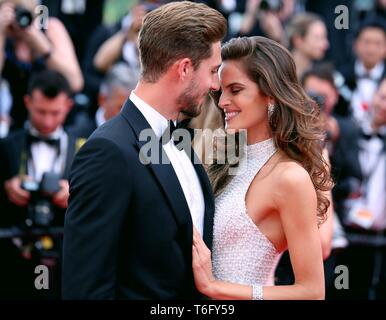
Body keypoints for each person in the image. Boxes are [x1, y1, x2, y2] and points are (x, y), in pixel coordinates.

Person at [62, 1, 227, 299]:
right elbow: (85, 287)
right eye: (213, 71)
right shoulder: (108, 151)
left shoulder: (180, 138)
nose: (216, 85)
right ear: (185, 68)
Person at [191, 36, 333, 300]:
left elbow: (312, 292)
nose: (222, 101)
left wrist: (215, 287)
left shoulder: (290, 178)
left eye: (235, 90)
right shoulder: (227, 158)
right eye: (220, 91)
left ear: (270, 95)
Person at [0, 69, 81, 298]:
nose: (47, 121)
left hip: (67, 259)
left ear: (68, 105)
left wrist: (76, 197)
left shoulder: (85, 148)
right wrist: (7, 188)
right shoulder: (6, 146)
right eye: (40, 112)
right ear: (27, 102)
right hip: (13, 257)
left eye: (55, 113)